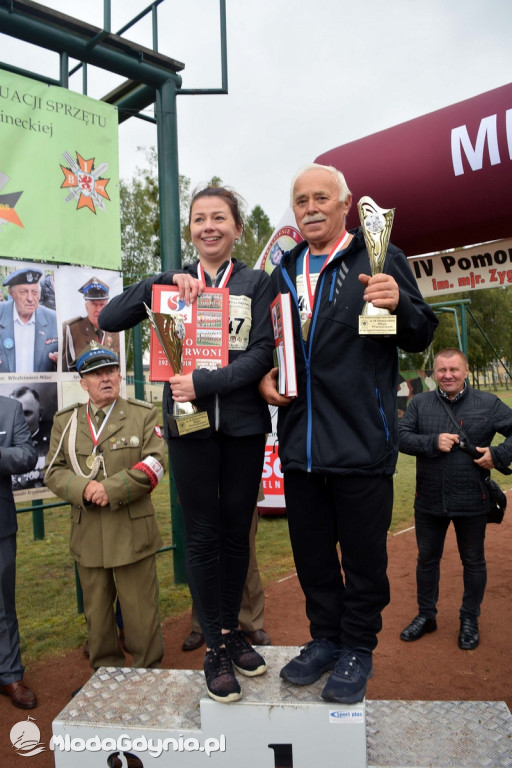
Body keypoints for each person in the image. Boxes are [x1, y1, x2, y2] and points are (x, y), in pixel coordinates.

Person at [258, 163, 438, 704]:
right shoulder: (284, 268)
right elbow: (267, 345)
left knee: (363, 561)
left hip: (362, 443)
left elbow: (420, 333)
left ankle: (358, 646)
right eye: (300, 201)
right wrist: (265, 376)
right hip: (302, 447)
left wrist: (399, 302)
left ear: (346, 205)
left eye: (321, 198)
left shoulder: (380, 259)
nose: (310, 208)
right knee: (312, 558)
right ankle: (325, 640)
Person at [99, 185, 274, 703]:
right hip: (190, 430)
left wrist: (207, 383)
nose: (209, 227)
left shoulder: (256, 282)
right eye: (199, 219)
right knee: (201, 534)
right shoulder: (171, 286)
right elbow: (109, 319)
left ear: (238, 229)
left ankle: (234, 631)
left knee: (235, 533)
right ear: (190, 231)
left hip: (241, 426)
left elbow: (262, 351)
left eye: (220, 218)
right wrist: (158, 281)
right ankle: (217, 645)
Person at [44, 342, 166, 671]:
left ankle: (148, 676)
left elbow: (156, 463)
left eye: (111, 370)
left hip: (131, 531)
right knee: (97, 620)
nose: (107, 377)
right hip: (89, 537)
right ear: (83, 382)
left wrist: (111, 489)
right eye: (97, 373)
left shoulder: (142, 414)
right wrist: (85, 488)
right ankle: (105, 678)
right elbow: (52, 471)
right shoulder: (66, 422)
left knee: (140, 616)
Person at [398, 348, 512, 650]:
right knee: (426, 561)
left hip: (472, 499)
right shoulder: (420, 403)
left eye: (454, 370)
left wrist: (497, 455)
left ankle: (469, 619)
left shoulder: (487, 403)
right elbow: (400, 437)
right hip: (429, 500)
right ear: (434, 373)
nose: (447, 375)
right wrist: (432, 442)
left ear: (466, 370)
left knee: (473, 562)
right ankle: (426, 616)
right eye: (442, 370)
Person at [183, 506, 272, 650]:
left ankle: (253, 621)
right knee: (202, 551)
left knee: (244, 550)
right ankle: (201, 624)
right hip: (201, 488)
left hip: (241, 486)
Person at [0, 395, 38, 708]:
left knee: (2, 605)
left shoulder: (9, 409)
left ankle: (10, 674)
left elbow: (27, 456)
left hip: (0, 526)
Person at [0, 267, 58, 372]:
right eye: (24, 292)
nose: (30, 298)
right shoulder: (1, 313)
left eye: (34, 292)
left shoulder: (53, 319)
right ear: (11, 293)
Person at [62, 277, 120, 371]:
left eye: (102, 305)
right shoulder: (73, 329)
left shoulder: (115, 330)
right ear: (86, 307)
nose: (98, 309)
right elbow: (66, 369)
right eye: (94, 304)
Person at [9, 386, 52, 491]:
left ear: (40, 414)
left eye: (26, 413)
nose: (20, 420)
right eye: (15, 414)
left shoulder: (53, 443)